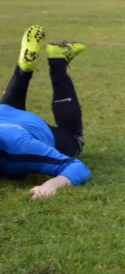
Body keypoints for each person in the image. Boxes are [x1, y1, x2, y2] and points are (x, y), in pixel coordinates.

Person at [0, 26, 91, 199]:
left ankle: (57, 63)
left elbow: (76, 167)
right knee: (6, 109)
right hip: (5, 115)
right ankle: (25, 68)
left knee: (74, 140)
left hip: (27, 129)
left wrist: (51, 185)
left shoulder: (21, 149)